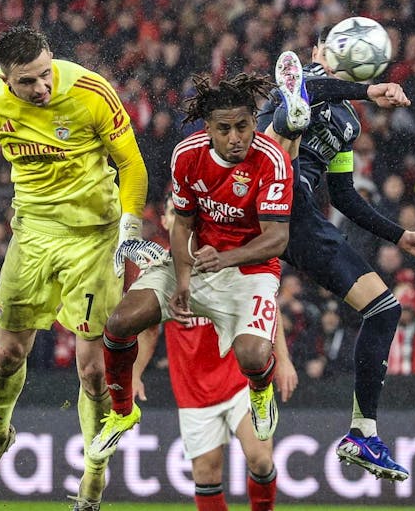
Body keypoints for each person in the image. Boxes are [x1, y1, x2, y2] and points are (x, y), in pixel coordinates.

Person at [0, 26, 157, 510]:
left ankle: (93, 480)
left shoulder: (92, 92)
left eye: (46, 74)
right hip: (32, 236)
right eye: (28, 81)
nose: (42, 88)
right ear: (6, 78)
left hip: (95, 239)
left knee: (93, 372)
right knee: (7, 353)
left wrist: (130, 229)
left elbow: (132, 165)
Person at [90, 62, 303, 465]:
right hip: (196, 262)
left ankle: (260, 392)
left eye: (243, 126)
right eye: (224, 129)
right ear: (207, 128)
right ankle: (120, 413)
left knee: (254, 358)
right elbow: (182, 222)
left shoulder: (271, 159)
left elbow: (277, 239)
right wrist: (183, 278)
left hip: (250, 270)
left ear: (254, 122)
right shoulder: (186, 155)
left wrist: (223, 258)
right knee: (118, 325)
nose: (235, 137)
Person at [256, 30, 415, 481]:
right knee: (293, 108)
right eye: (329, 47)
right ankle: (285, 131)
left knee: (385, 309)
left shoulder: (348, 123)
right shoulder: (303, 78)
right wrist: (367, 91)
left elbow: (343, 196)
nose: (336, 55)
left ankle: (362, 433)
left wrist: (401, 236)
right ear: (316, 52)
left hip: (297, 218)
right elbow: (313, 86)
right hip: (257, 189)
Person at [132, 199, 299, 511]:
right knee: (206, 474)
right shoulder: (161, 273)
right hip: (193, 387)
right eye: (173, 211)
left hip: (238, 378)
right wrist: (134, 372)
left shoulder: (222, 255)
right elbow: (148, 329)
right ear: (168, 223)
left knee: (261, 460)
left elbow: (262, 304)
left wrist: (283, 360)